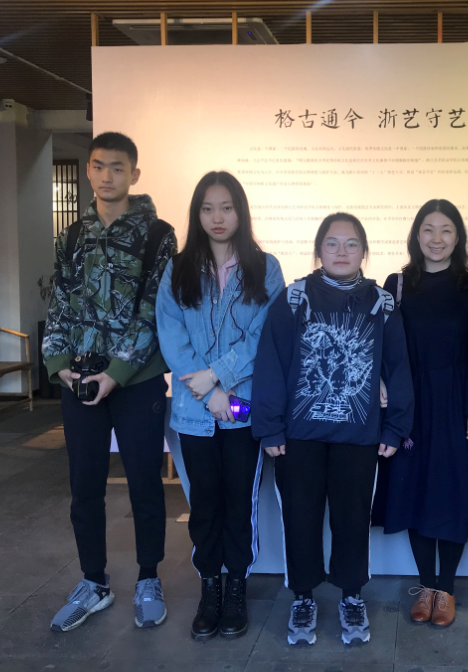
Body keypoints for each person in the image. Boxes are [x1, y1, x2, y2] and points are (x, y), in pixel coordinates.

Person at [252, 213, 414, 647]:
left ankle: (351, 595)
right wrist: (270, 428)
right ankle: (303, 597)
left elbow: (399, 368)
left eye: (351, 243)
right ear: (318, 250)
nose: (342, 251)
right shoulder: (293, 298)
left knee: (352, 519)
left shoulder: (382, 304)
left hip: (359, 436)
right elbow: (271, 362)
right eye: (332, 243)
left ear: (364, 251)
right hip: (299, 436)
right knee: (300, 518)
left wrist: (395, 427)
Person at [42, 132, 177, 632]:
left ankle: (148, 578)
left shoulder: (158, 235)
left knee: (145, 482)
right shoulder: (71, 236)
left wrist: (115, 375)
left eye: (117, 168)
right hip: (79, 379)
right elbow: (60, 301)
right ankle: (93, 581)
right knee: (84, 486)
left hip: (136, 381)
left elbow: (153, 311)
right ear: (88, 171)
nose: (106, 176)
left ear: (134, 174)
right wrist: (58, 364)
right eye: (98, 166)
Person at [156, 171, 284, 640]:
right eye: (208, 208)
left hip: (243, 410)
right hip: (195, 413)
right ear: (197, 214)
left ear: (240, 211)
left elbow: (264, 335)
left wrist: (218, 377)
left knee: (239, 503)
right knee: (204, 502)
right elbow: (172, 336)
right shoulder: (178, 269)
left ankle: (236, 589)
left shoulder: (265, 267)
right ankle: (209, 586)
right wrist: (208, 391)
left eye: (226, 207)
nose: (217, 217)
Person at [379, 199, 468, 628]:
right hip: (410, 403)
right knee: (415, 490)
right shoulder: (397, 284)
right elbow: (383, 346)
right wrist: (384, 386)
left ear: (458, 237)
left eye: (446, 230)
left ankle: (447, 588)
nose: (437, 238)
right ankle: (426, 585)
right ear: (416, 235)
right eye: (428, 229)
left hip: (456, 402)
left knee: (452, 492)